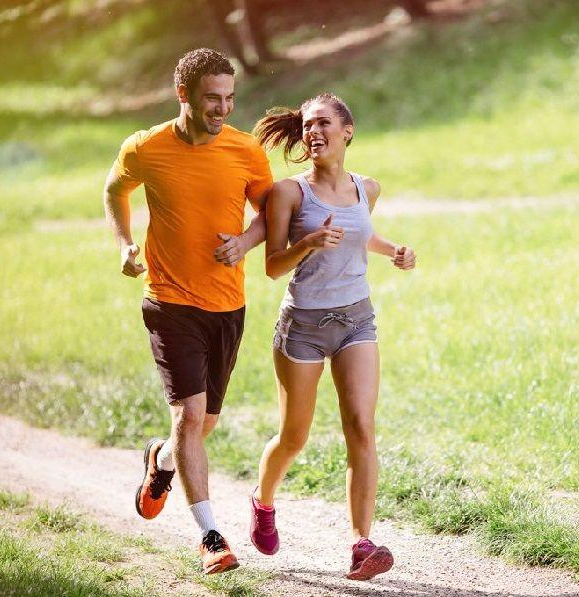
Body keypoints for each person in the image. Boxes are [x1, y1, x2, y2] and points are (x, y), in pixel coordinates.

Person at [102, 48, 273, 575]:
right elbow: (114, 190)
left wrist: (245, 242)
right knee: (190, 416)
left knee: (204, 424)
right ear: (184, 95)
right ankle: (210, 536)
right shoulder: (146, 147)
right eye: (212, 99)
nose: (222, 108)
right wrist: (124, 245)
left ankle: (160, 460)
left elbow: (271, 214)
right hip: (169, 300)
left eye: (229, 98)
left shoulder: (245, 150)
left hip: (228, 304)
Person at [248, 93, 416, 580]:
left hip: (356, 319)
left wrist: (394, 250)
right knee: (294, 437)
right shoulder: (289, 193)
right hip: (302, 326)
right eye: (306, 125)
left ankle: (361, 543)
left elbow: (359, 234)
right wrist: (308, 243)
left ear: (347, 131)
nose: (312, 131)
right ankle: (262, 500)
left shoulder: (368, 188)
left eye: (322, 122)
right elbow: (272, 266)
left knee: (361, 427)